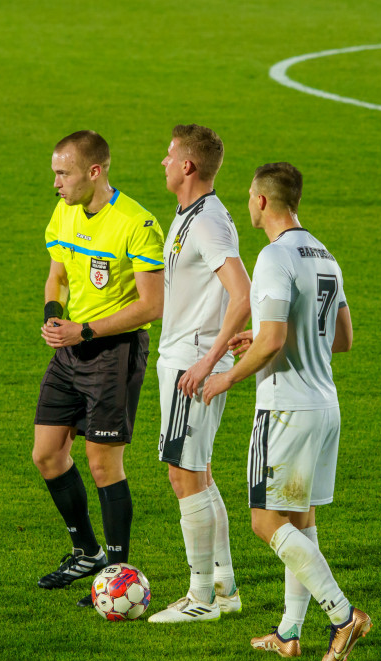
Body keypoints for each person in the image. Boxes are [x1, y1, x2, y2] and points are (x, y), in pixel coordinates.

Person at [203, 163, 370, 661]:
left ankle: (343, 615)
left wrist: (226, 376)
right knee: (300, 519)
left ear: (261, 202)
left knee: (265, 521)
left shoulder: (274, 257)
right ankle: (289, 632)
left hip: (285, 409)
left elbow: (275, 339)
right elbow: (341, 340)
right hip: (325, 406)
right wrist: (266, 335)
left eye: (250, 196)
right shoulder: (324, 255)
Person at [33, 130, 165, 608]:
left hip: (114, 352)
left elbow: (153, 305)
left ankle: (117, 572)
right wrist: (54, 314)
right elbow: (59, 274)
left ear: (95, 171)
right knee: (47, 454)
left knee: (102, 463)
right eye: (55, 172)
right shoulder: (65, 212)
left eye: (63, 173)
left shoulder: (136, 223)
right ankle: (86, 551)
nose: (56, 182)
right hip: (70, 348)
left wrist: (85, 330)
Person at [145, 125, 251, 624]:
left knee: (182, 474)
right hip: (184, 358)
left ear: (188, 166)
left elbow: (243, 293)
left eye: (169, 156)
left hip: (193, 364)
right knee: (199, 474)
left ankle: (200, 598)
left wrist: (207, 360)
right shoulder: (191, 215)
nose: (163, 163)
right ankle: (224, 587)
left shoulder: (208, 223)